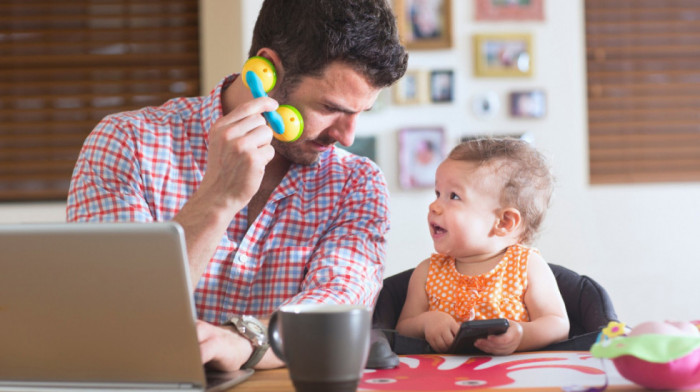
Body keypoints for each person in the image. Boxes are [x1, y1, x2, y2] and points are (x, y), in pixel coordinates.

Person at [66, 0, 407, 371]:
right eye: (331, 108)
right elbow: (115, 318)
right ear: (267, 71)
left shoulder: (357, 184)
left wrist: (245, 340)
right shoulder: (126, 144)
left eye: (360, 113)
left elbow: (338, 313)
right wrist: (218, 198)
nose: (347, 135)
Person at [395, 137, 569, 355]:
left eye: (454, 196)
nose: (434, 206)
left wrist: (522, 335)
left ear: (504, 222)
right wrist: (427, 322)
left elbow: (557, 324)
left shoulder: (527, 266)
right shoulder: (428, 272)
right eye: (438, 194)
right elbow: (402, 328)